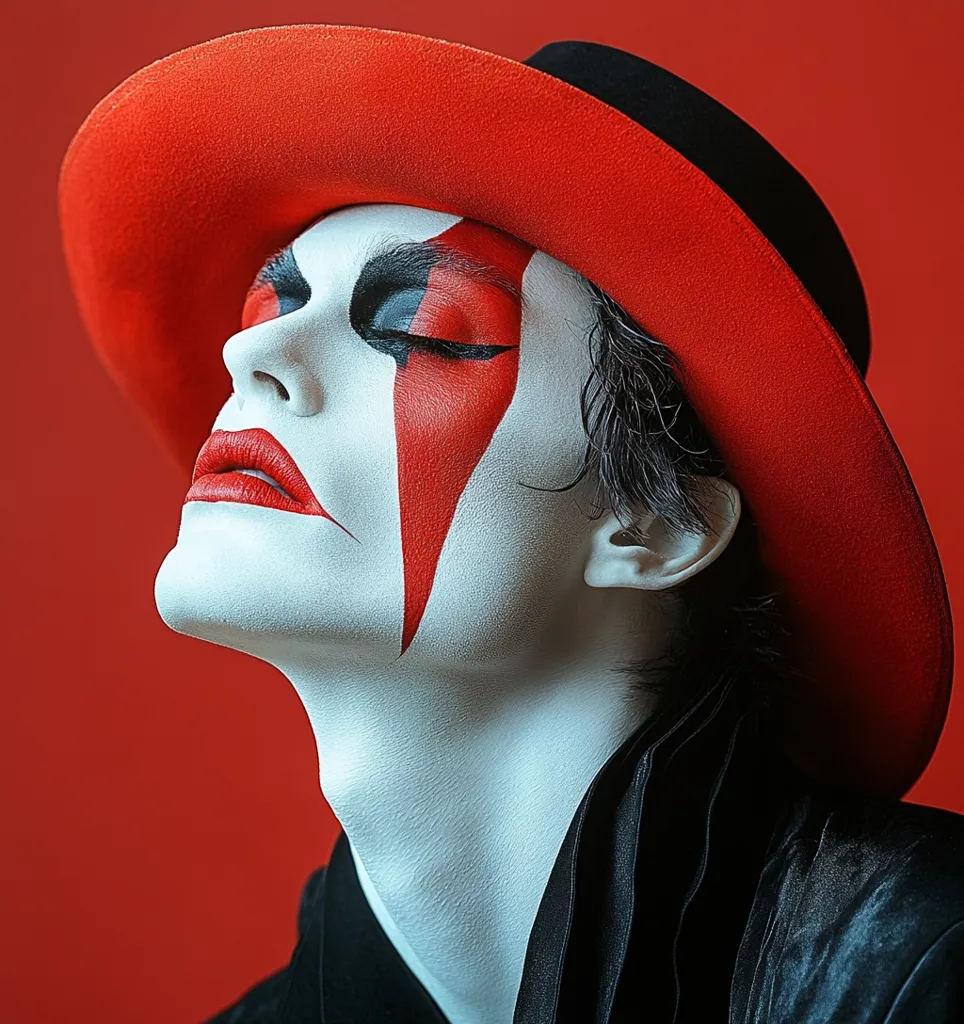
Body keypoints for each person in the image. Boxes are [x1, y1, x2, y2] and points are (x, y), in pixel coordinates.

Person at [59, 25, 963, 1024]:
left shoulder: (915, 963)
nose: (253, 357)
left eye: (417, 329)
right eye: (263, 308)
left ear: (653, 527)